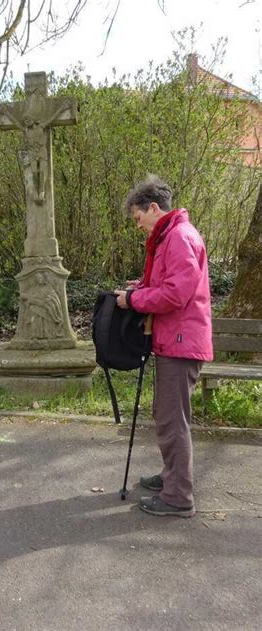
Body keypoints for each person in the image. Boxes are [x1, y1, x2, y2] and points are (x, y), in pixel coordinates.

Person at [115, 175, 212, 518]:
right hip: (175, 341)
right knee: (166, 415)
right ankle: (172, 477)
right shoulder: (171, 236)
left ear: (153, 208)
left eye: (139, 219)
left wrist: (135, 299)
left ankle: (178, 497)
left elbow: (177, 293)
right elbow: (170, 283)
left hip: (182, 343)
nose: (139, 226)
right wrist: (142, 286)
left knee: (173, 421)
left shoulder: (179, 237)